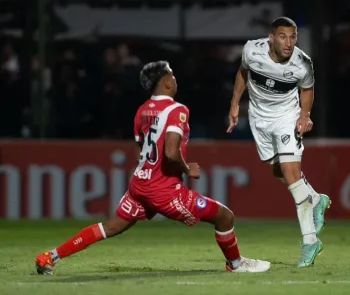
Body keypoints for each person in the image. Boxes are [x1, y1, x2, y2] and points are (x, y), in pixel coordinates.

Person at [35, 61, 270, 275]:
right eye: (173, 75)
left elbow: (139, 148)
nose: (176, 80)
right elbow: (170, 151)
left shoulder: (142, 110)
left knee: (111, 226)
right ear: (167, 81)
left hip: (140, 185)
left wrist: (147, 172)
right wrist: (188, 169)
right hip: (163, 190)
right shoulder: (178, 110)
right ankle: (235, 264)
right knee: (224, 216)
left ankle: (51, 256)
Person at [227, 17, 330, 268]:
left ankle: (310, 240)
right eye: (283, 36)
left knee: (291, 174)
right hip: (259, 118)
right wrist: (234, 104)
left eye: (293, 37)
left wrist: (304, 116)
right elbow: (243, 72)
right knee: (277, 169)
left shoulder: (302, 63)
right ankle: (316, 199)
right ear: (271, 37)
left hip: (286, 117)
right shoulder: (252, 50)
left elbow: (307, 89)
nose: (289, 43)